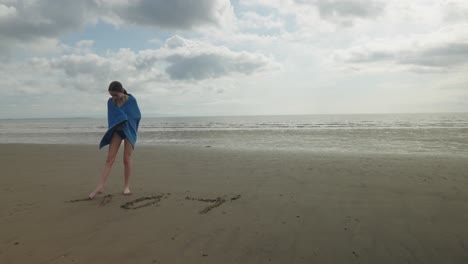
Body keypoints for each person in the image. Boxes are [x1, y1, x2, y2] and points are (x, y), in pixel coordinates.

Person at [89, 81, 141, 199]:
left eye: (115, 95)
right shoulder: (110, 102)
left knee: (126, 160)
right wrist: (120, 119)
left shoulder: (131, 100)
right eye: (111, 95)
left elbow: (137, 116)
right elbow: (112, 117)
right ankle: (100, 186)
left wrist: (124, 119)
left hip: (129, 131)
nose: (114, 98)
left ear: (122, 92)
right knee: (109, 160)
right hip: (117, 132)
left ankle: (126, 187)